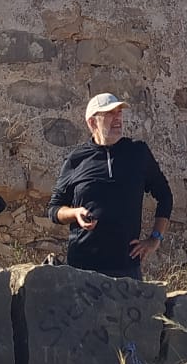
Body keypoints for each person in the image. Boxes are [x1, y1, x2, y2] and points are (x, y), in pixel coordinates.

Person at [48, 93, 174, 280]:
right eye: (109, 113)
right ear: (92, 123)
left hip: (126, 269)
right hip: (83, 267)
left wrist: (155, 238)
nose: (118, 118)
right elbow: (53, 210)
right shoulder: (76, 159)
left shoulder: (137, 153)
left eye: (119, 112)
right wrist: (75, 214)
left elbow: (165, 196)